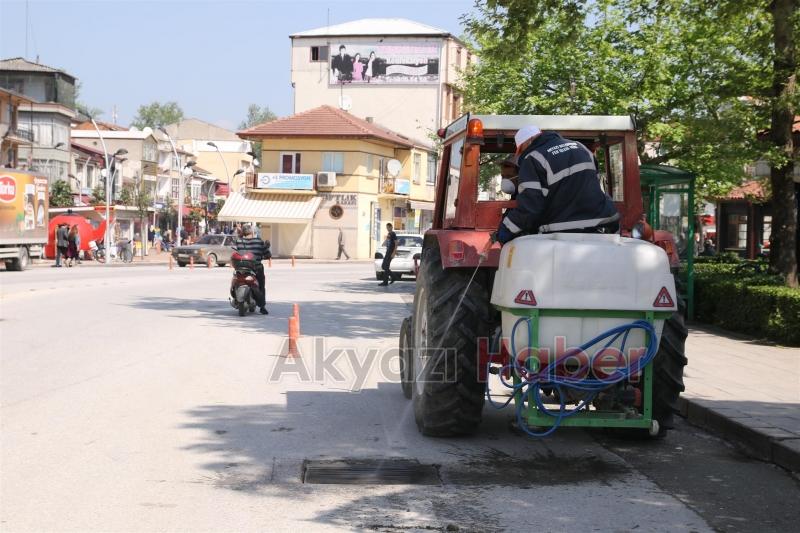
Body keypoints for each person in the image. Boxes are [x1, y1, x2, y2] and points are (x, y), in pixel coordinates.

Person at [494, 125, 619, 244]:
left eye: (521, 149)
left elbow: (530, 207)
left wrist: (507, 229)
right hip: (604, 225)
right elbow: (593, 185)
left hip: (565, 232)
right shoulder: (581, 147)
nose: (522, 154)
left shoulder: (533, 158)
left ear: (530, 140)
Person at [233, 224, 272, 315]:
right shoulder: (258, 241)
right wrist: (265, 250)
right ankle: (262, 307)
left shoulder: (239, 241)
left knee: (235, 280)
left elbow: (237, 252)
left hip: (241, 268)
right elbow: (268, 255)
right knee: (261, 286)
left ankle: (236, 296)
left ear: (243, 232)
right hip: (256, 268)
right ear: (252, 232)